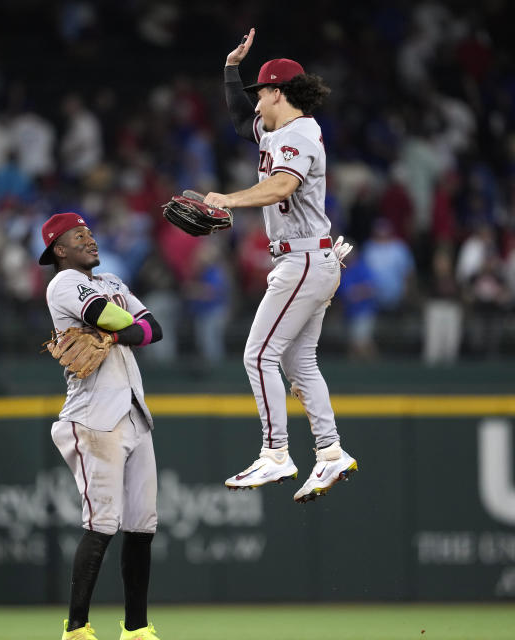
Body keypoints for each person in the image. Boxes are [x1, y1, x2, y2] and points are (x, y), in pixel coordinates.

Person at [203, 28, 357, 503]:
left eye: (259, 93)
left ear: (277, 92)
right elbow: (236, 121)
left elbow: (281, 187)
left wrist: (227, 199)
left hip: (304, 260)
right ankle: (330, 453)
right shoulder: (279, 132)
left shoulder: (298, 134)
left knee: (258, 354)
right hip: (310, 257)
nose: (254, 104)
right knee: (298, 361)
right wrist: (232, 70)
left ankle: (276, 453)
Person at [41, 212, 164, 640]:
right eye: (79, 236)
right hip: (94, 415)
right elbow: (104, 316)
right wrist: (119, 327)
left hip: (134, 412)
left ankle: (137, 628)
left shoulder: (112, 280)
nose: (90, 240)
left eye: (91, 233)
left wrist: (115, 333)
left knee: (142, 525)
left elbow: (154, 329)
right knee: (102, 522)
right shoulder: (61, 283)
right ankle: (76, 628)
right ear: (59, 249)